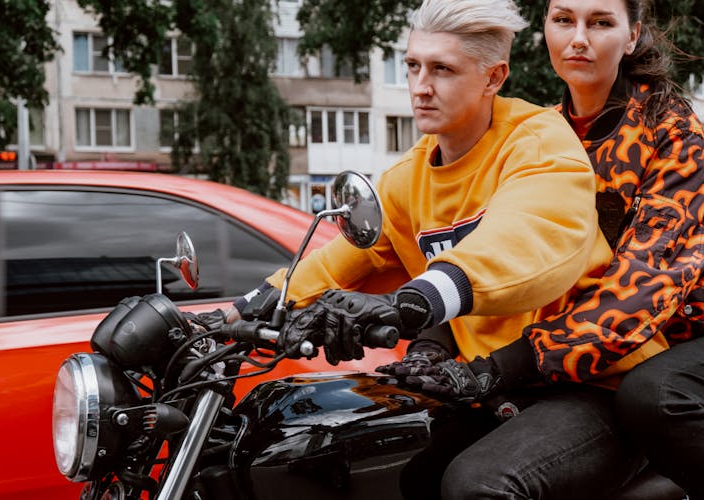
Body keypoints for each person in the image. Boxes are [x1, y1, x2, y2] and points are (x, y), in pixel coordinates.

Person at [218, 0, 660, 498]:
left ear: (493, 77)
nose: (420, 87)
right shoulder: (409, 177)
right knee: (355, 454)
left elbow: (525, 240)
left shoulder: (538, 142)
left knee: (479, 486)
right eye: (412, 66)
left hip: (591, 383)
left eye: (443, 70)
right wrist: (233, 315)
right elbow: (335, 262)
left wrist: (405, 304)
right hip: (486, 385)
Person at [383, 0, 704, 497]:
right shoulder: (538, 132)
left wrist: (494, 369)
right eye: (563, 20)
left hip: (664, 345)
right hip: (568, 355)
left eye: (600, 22)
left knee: (655, 394)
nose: (578, 38)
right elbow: (493, 256)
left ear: (633, 35)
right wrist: (434, 343)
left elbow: (639, 294)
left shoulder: (676, 137)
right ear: (545, 31)